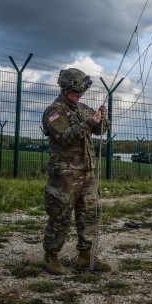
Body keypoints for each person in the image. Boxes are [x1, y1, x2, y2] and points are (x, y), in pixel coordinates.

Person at [41, 68, 111, 275]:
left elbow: (100, 130)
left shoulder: (82, 108)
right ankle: (51, 257)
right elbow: (64, 136)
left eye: (81, 92)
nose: (79, 96)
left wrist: (103, 118)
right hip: (65, 175)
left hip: (87, 173)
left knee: (90, 214)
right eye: (75, 92)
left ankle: (85, 256)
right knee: (60, 215)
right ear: (63, 89)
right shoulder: (54, 112)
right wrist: (89, 123)